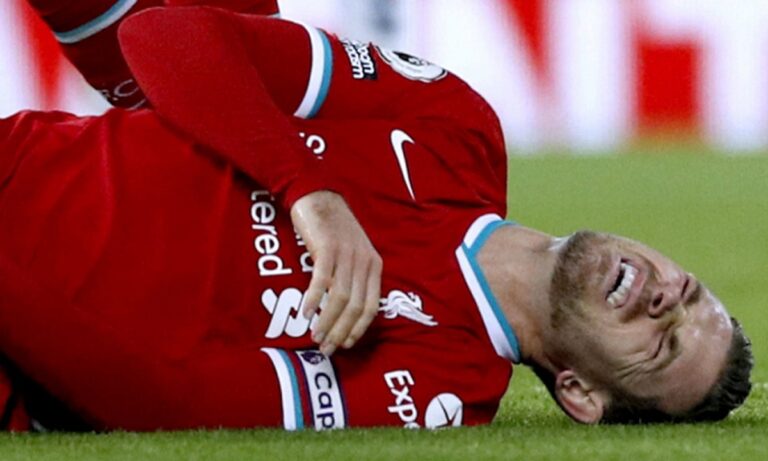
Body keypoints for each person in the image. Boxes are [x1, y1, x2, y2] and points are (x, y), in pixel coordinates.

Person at [0, 2, 752, 431]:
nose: (665, 302)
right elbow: (160, 38)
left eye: (662, 346)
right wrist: (309, 193)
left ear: (580, 393)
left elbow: (158, 398)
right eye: (687, 292)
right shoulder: (457, 129)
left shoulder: (437, 395)